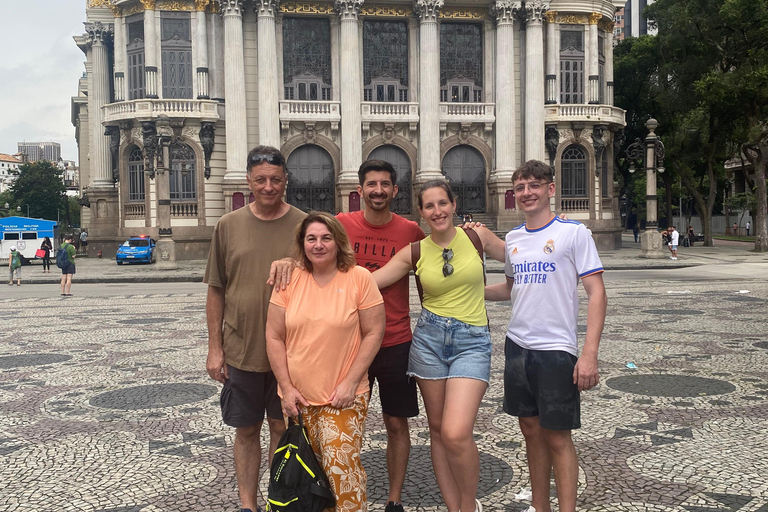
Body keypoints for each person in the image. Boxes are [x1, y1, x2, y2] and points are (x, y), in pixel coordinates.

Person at [484, 160, 607, 512]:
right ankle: (541, 507)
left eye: (534, 185)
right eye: (520, 187)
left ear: (550, 189)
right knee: (530, 433)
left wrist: (589, 354)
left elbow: (596, 293)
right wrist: (467, 292)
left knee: (558, 437)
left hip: (556, 350)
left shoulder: (574, 234)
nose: (527, 193)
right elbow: (511, 288)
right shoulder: (514, 240)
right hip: (518, 347)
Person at [373, 180, 498, 512]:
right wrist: (311, 268)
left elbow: (519, 255)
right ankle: (453, 507)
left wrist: (563, 243)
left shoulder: (476, 237)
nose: (437, 211)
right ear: (421, 212)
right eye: (429, 206)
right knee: (439, 431)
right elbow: (371, 281)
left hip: (472, 342)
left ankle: (469, 506)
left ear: (454, 205)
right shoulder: (415, 250)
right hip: (428, 342)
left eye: (443, 203)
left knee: (457, 432)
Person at [204, 145, 306, 512]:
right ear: (248, 181)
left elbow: (326, 273)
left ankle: (278, 499)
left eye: (275, 180)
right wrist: (215, 348)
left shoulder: (304, 225)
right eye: (260, 179)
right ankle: (248, 504)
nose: (268, 186)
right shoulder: (227, 226)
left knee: (283, 430)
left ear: (286, 181)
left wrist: (296, 261)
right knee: (246, 432)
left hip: (291, 355)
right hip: (242, 351)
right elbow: (216, 289)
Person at [266, 212, 386, 512]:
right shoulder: (289, 280)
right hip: (299, 400)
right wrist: (286, 387)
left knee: (340, 470)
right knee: (308, 475)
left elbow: (374, 332)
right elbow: (273, 336)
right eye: (311, 238)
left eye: (325, 238)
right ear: (302, 244)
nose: (318, 245)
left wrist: (349, 383)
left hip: (343, 398)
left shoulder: (359, 278)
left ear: (338, 241)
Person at [337, 160, 425, 512]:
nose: (377, 190)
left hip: (395, 340)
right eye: (371, 184)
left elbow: (429, 279)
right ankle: (345, 494)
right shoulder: (340, 226)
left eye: (384, 184)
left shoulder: (410, 231)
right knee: (344, 421)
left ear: (395, 190)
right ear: (359, 191)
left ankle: (394, 498)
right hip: (348, 342)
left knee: (395, 421)